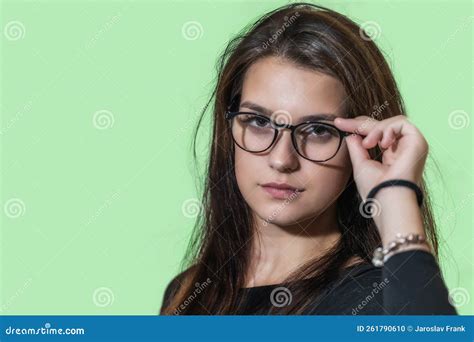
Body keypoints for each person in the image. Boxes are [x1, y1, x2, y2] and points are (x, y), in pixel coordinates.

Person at [160, 2, 457, 315]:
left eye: (317, 130)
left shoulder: (374, 301)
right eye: (259, 122)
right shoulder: (188, 292)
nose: (281, 159)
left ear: (363, 142)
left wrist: (395, 196)